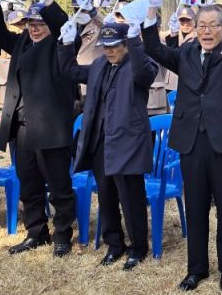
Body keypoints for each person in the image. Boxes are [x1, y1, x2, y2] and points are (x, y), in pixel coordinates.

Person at [142, 0, 222, 292]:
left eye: (213, 25)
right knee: (195, 205)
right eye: (201, 25)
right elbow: (153, 48)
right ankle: (196, 269)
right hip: (191, 138)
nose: (206, 31)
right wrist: (151, 9)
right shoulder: (187, 52)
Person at [0, 0, 78, 258]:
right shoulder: (23, 41)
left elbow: (63, 25)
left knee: (58, 186)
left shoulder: (62, 42)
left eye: (40, 24)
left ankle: (62, 235)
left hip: (50, 126)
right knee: (29, 182)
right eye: (31, 24)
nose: (34, 29)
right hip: (21, 126)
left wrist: (49, 4)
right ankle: (36, 231)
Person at [59, 20, 159, 269]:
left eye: (114, 46)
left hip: (128, 141)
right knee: (106, 195)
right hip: (101, 141)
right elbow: (71, 71)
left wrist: (136, 42)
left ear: (126, 44)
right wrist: (66, 45)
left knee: (131, 197)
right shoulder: (99, 64)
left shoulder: (139, 65)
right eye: (105, 46)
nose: (109, 51)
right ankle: (114, 244)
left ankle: (138, 247)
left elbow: (145, 74)